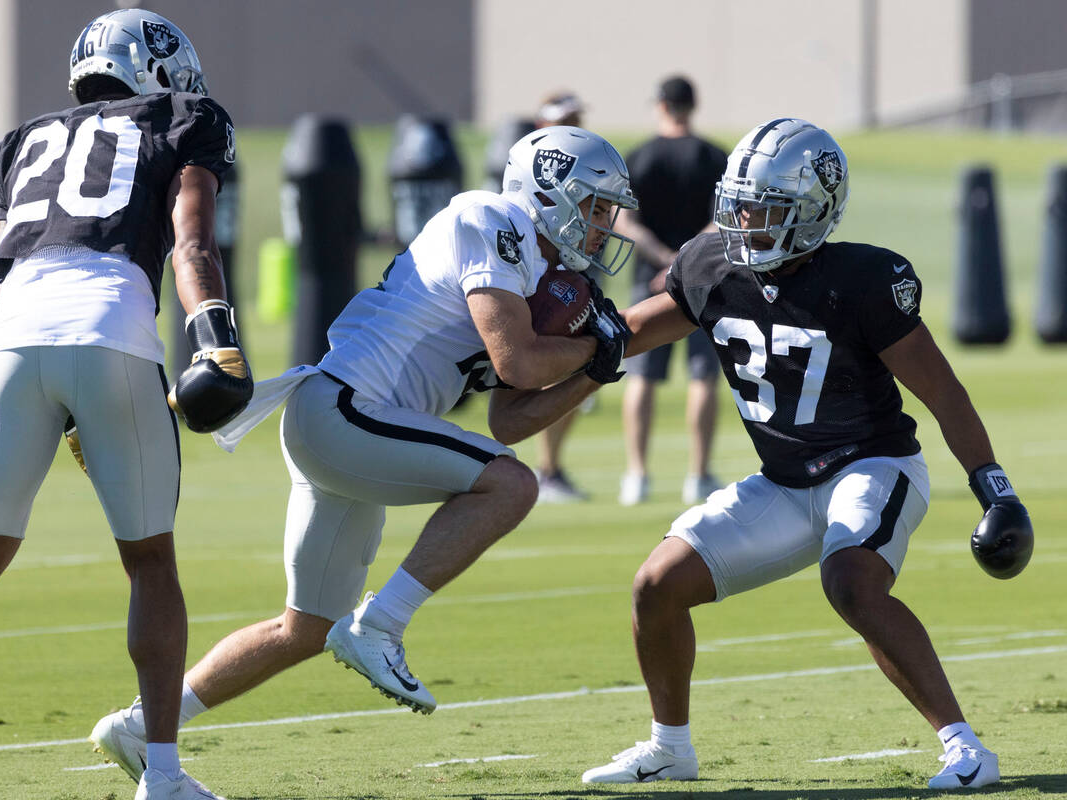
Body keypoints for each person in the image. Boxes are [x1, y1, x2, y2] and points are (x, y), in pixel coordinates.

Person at [87, 125, 637, 779]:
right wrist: (591, 347)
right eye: (597, 207)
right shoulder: (493, 217)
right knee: (511, 485)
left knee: (305, 628)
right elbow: (517, 362)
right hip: (349, 410)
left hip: (344, 423)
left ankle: (141, 726)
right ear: (550, 193)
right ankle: (381, 624)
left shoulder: (539, 267)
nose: (605, 226)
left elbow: (511, 418)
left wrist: (594, 371)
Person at [580, 118, 1033, 789]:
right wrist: (541, 354)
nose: (742, 224)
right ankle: (670, 747)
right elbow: (630, 335)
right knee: (656, 585)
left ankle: (966, 749)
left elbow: (943, 391)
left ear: (813, 214)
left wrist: (994, 488)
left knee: (850, 580)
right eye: (737, 205)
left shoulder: (863, 279)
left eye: (762, 211)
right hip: (784, 482)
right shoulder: (710, 266)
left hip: (872, 465)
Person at [0, 10, 249, 800]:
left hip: (12, 338)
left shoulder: (25, 138)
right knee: (150, 561)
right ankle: (165, 772)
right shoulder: (184, 119)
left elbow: (2, 270)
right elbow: (192, 242)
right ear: (153, 69)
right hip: (110, 324)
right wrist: (214, 335)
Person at [613, 76, 727, 507]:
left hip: (649, 278)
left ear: (661, 104)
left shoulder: (640, 157)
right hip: (704, 278)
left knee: (640, 376)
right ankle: (698, 475)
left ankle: (636, 475)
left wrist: (663, 260)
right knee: (702, 376)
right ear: (693, 105)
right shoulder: (714, 156)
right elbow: (725, 220)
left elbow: (624, 221)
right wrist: (685, 261)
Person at [528, 91, 593, 503]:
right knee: (553, 372)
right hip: (538, 281)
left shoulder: (588, 170)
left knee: (577, 374)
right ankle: (546, 469)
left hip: (573, 274)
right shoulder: (529, 172)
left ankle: (551, 468)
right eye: (563, 120)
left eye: (575, 119)